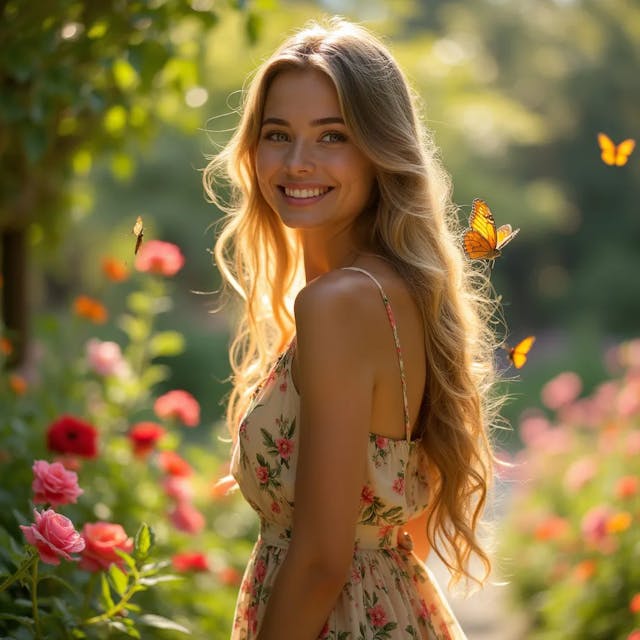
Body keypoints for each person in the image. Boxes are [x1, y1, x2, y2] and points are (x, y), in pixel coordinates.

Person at [204, 16, 501, 640]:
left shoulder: (339, 304)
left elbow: (319, 562)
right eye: (277, 134)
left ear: (380, 150)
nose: (297, 161)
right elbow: (403, 525)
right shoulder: (398, 293)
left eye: (332, 136)